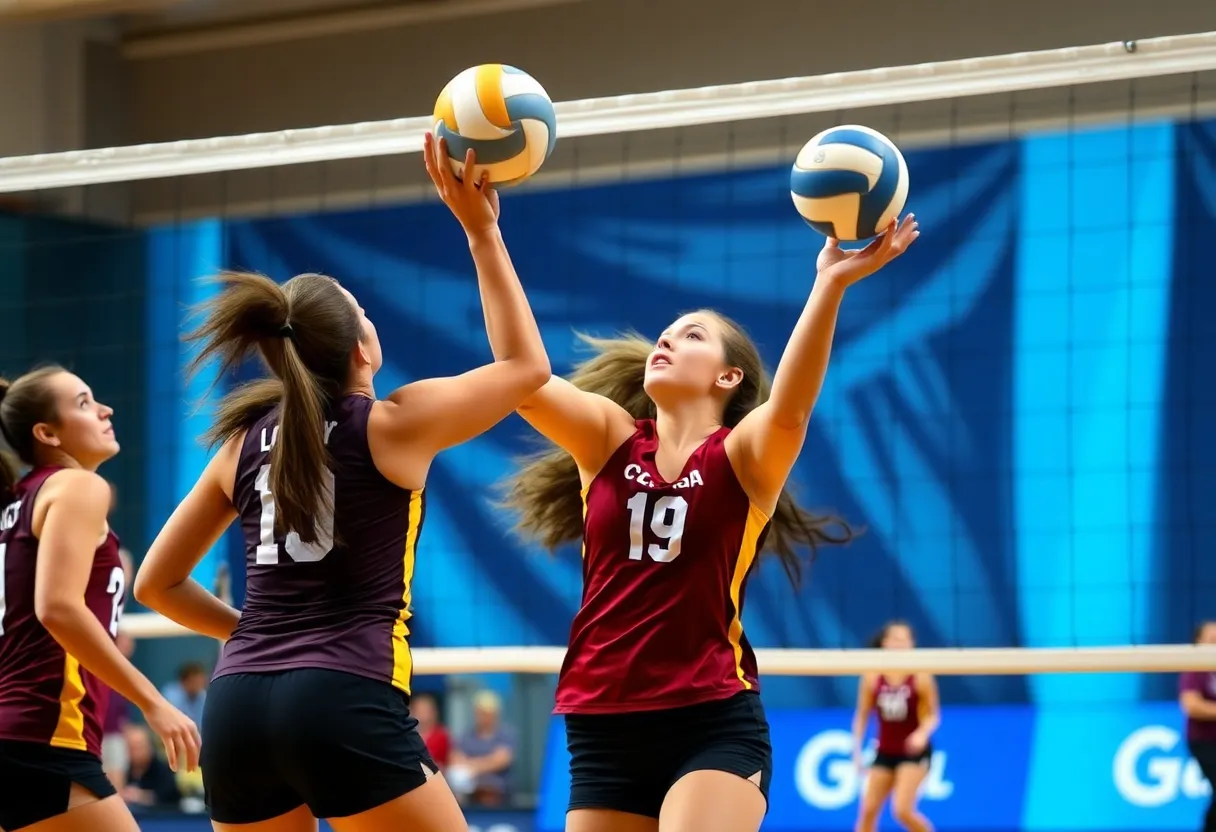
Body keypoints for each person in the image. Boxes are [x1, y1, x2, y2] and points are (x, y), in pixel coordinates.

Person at [133, 137, 550, 832]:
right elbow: (526, 365)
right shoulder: (392, 423)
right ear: (362, 346)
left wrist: (258, 636)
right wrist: (482, 232)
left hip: (237, 702)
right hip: (343, 694)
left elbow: (156, 585)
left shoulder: (240, 443)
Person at [500, 216, 919, 832]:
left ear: (729, 377)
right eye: (665, 334)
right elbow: (522, 377)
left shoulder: (742, 456)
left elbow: (792, 409)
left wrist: (829, 285)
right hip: (603, 719)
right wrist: (485, 231)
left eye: (690, 335)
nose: (665, 341)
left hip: (710, 716)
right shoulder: (609, 439)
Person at [0, 366, 199, 832]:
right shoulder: (78, 486)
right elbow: (58, 608)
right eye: (85, 402)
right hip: (43, 732)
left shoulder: (16, 502)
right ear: (47, 433)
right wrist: (153, 702)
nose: (106, 409)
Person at [852, 621, 939, 832]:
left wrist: (921, 734)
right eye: (894, 638)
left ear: (912, 644)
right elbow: (862, 716)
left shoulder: (920, 675)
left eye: (904, 639)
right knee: (868, 811)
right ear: (884, 643)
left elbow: (933, 716)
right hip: (885, 751)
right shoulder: (872, 676)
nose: (899, 643)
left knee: (902, 810)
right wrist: (855, 750)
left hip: (913, 753)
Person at [1180, 620, 1216, 832]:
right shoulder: (1195, 669)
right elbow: (1191, 705)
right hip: (1204, 741)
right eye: (1212, 640)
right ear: (1198, 642)